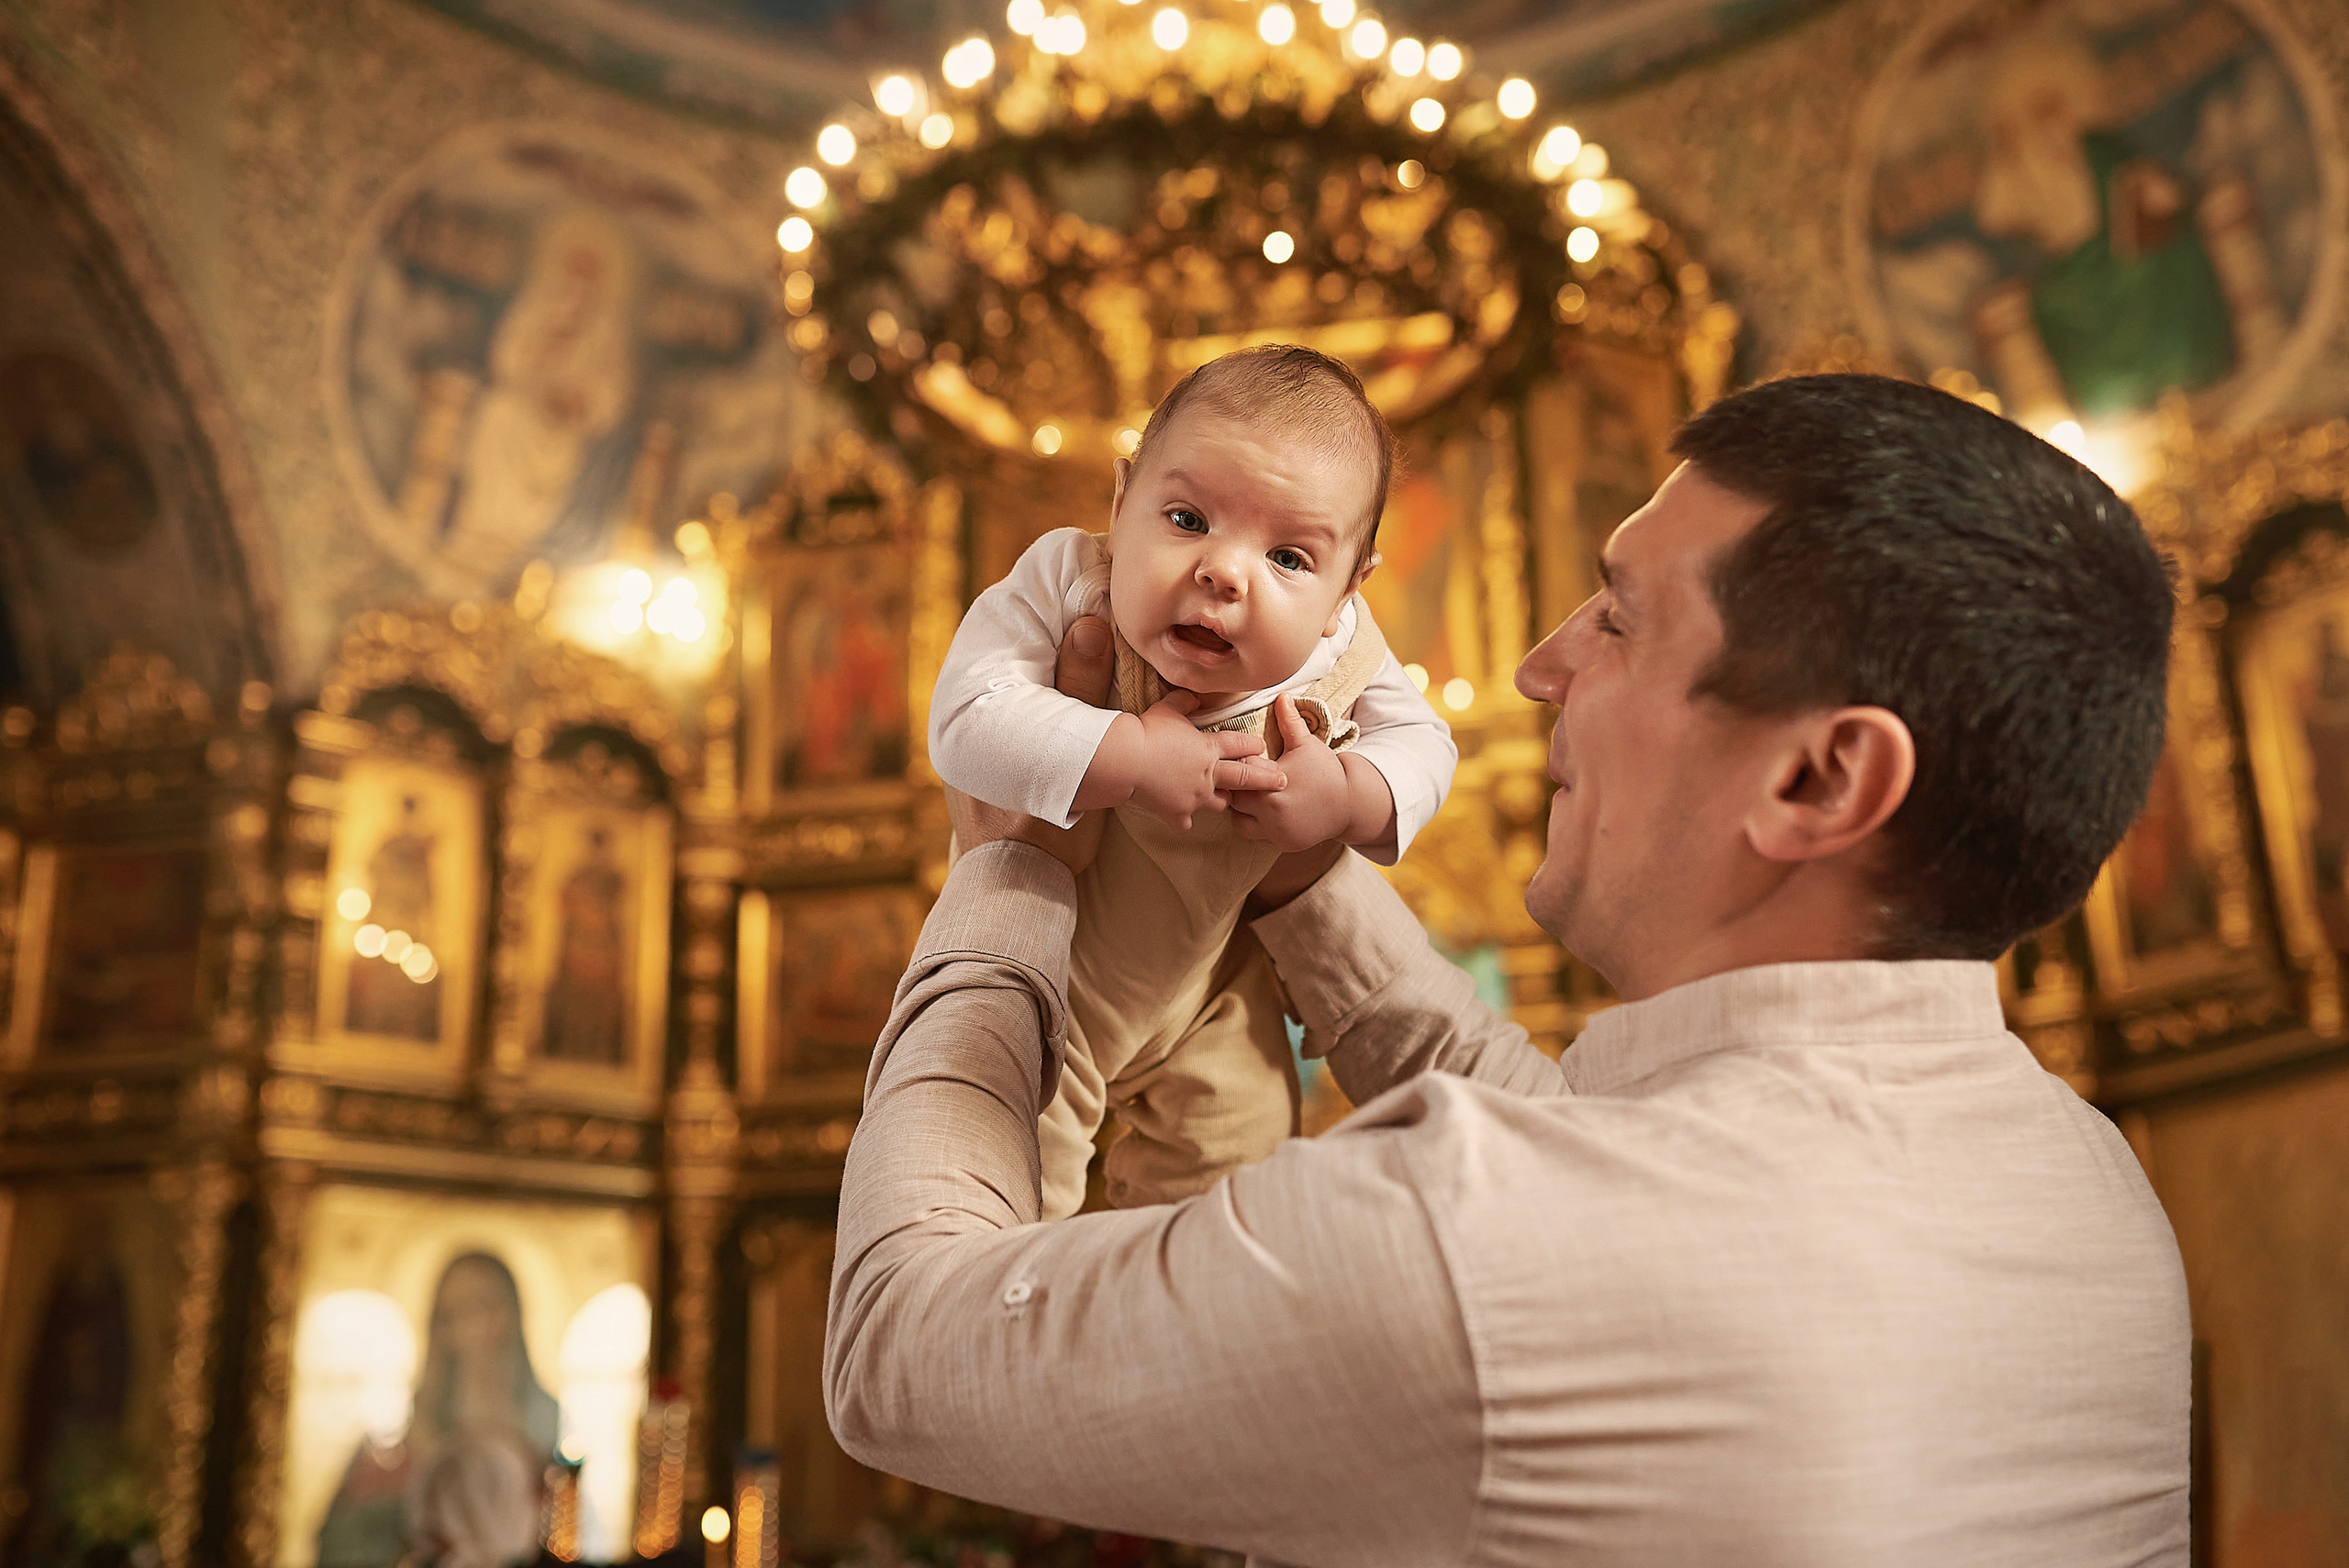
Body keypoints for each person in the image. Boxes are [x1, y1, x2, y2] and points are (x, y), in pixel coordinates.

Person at [825, 373, 2189, 1565]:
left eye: (1617, 618)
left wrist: (1011, 873)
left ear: (1819, 777)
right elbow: (1569, 1142)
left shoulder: (1471, 1243)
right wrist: (1298, 872)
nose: (1540, 670)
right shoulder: (2095, 1191)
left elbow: (900, 1352)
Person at [927, 345, 1455, 1218]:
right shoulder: (1069, 580)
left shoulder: (1345, 648)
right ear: (1122, 500)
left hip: (1216, 983)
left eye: (1289, 558)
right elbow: (965, 717)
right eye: (1185, 517)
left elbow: (1427, 745)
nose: (1224, 571)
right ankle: (1013, 1331)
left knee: (1243, 1173)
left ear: (1348, 590)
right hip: (1054, 969)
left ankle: (1177, 1334)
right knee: (1004, 1171)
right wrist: (1129, 754)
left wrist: (1349, 796)